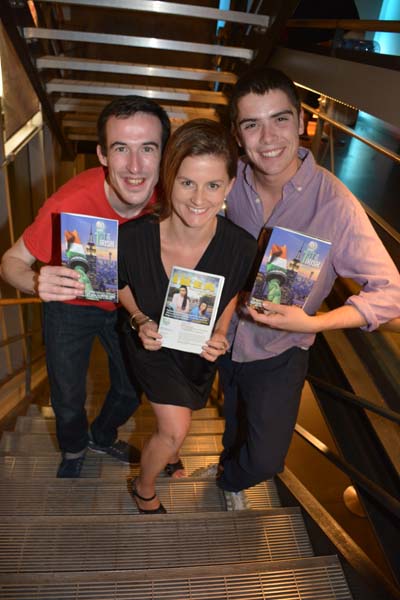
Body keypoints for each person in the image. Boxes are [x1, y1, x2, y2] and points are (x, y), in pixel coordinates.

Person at [216, 67, 400, 493]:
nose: (269, 138)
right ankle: (226, 471)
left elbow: (392, 294)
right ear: (237, 134)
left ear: (301, 121)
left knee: (266, 458)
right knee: (231, 414)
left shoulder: (335, 204)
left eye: (280, 119)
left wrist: (315, 323)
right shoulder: (229, 181)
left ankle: (232, 480)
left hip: (281, 352)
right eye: (252, 124)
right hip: (225, 336)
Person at [0, 96, 171, 478]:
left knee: (131, 387)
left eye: (148, 149)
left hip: (127, 303)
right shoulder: (69, 203)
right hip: (69, 305)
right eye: (120, 149)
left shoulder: (171, 199)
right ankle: (74, 447)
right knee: (67, 395)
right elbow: (10, 262)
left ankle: (102, 435)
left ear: (164, 154)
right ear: (102, 155)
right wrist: (35, 281)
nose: (135, 166)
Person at [117, 119, 257, 513]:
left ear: (229, 187)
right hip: (151, 342)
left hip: (197, 351)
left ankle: (169, 454)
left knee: (179, 420)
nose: (199, 198)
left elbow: (229, 293)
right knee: (175, 429)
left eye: (213, 185)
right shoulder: (132, 238)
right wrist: (140, 318)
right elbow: (119, 282)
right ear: (168, 180)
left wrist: (223, 332)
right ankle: (144, 488)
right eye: (187, 183)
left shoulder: (240, 248)